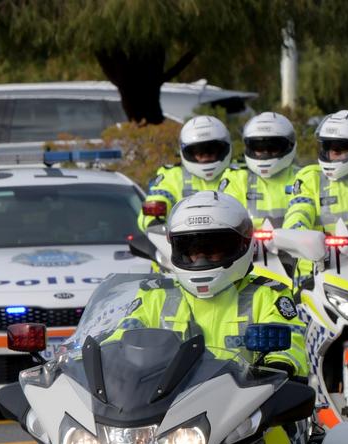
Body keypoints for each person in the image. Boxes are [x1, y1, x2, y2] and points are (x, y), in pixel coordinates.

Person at [119, 191, 306, 377]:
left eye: (211, 249)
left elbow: (292, 341)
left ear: (241, 245)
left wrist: (281, 364)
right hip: (166, 399)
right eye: (192, 249)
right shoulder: (156, 296)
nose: (200, 259)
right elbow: (122, 335)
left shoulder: (266, 295)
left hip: (243, 399)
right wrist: (108, 357)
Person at [136, 116, 247, 231]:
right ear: (186, 152)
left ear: (224, 148)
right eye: (198, 150)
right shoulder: (172, 176)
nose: (205, 155)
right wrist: (155, 223)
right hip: (182, 243)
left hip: (232, 242)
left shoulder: (240, 174)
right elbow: (157, 201)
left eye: (211, 149)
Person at [240, 112, 302, 230]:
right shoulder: (237, 179)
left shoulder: (303, 178)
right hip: (249, 244)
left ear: (289, 146)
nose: (265, 153)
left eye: (273, 147)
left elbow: (304, 210)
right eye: (259, 147)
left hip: (292, 242)